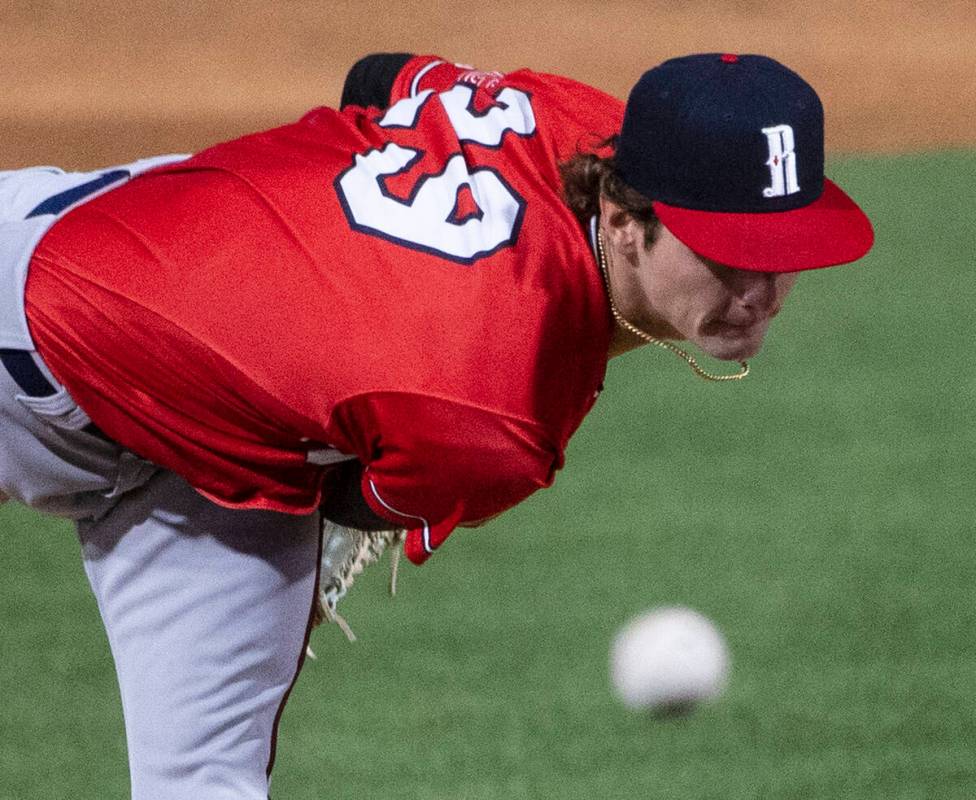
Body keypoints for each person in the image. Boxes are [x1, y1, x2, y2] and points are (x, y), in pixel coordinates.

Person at [0, 51, 873, 798]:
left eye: (784, 249)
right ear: (620, 215)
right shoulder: (488, 411)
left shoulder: (576, 121)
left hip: (219, 447)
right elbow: (348, 494)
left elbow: (381, 76)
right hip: (42, 334)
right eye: (724, 253)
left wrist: (323, 287)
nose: (758, 293)